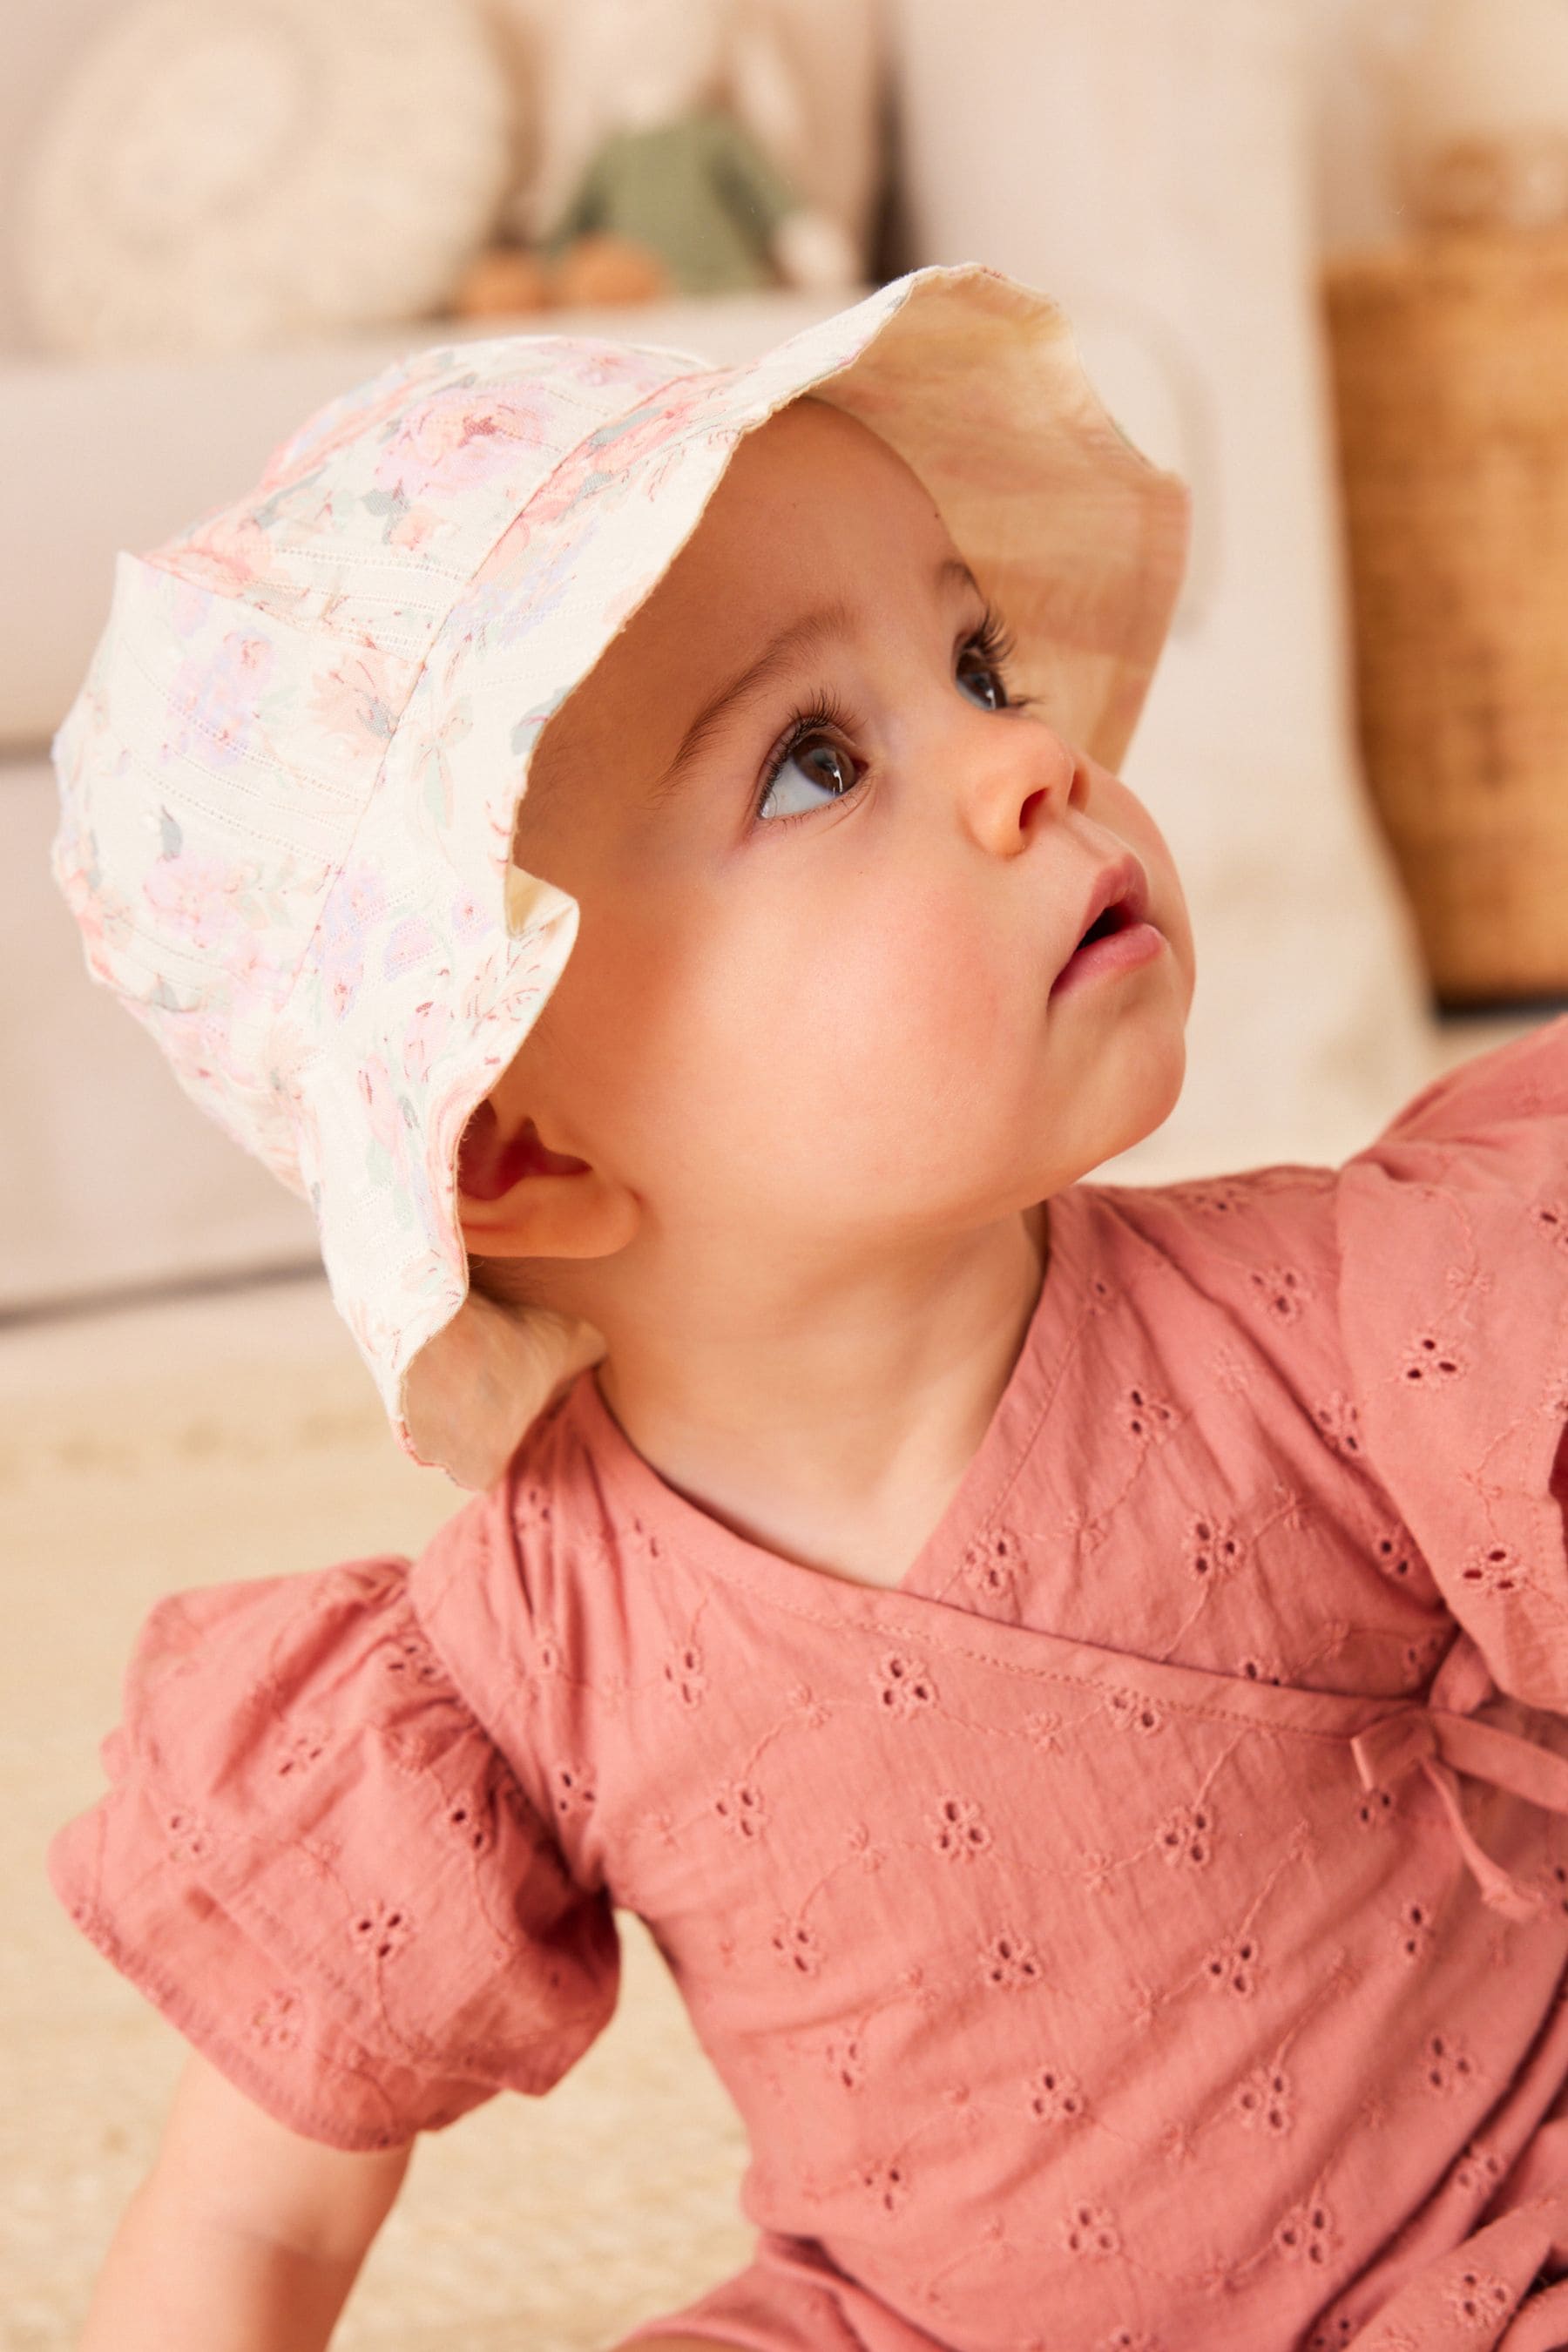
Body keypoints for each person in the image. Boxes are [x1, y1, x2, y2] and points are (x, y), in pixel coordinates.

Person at [43, 260, 1568, 2352]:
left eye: (976, 659)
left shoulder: (1352, 1334)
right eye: (812, 762)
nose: (1027, 764)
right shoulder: (511, 1659)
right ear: (515, 1154)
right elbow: (251, 2239)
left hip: (1478, 2248)